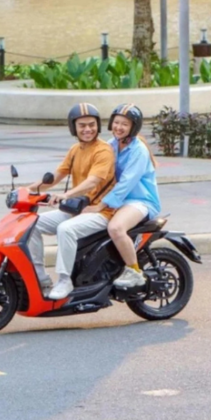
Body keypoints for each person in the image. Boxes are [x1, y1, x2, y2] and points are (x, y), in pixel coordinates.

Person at [27, 103, 116, 300]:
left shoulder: (103, 150)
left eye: (91, 125)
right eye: (82, 125)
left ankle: (64, 280)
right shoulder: (75, 150)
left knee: (65, 229)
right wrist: (26, 190)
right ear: (73, 127)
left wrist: (67, 195)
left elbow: (93, 180)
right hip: (79, 209)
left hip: (101, 211)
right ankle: (40, 277)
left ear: (98, 126)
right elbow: (55, 177)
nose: (87, 129)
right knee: (31, 224)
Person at [85, 104, 161, 289]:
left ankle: (134, 271)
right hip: (118, 200)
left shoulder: (138, 150)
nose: (119, 127)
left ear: (133, 128)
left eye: (124, 124)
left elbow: (126, 183)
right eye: (116, 122)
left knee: (116, 228)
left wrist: (100, 206)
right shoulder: (110, 145)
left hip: (140, 201)